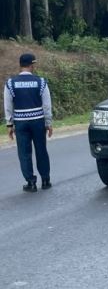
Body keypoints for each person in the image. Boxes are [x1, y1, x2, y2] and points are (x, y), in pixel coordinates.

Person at [4, 53, 53, 192]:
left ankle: (31, 182)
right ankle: (45, 180)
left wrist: (9, 124)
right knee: (41, 150)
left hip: (20, 122)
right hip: (38, 121)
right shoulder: (41, 82)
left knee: (24, 153)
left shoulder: (10, 83)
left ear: (20, 66)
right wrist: (48, 123)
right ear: (31, 65)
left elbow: (8, 106)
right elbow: (47, 105)